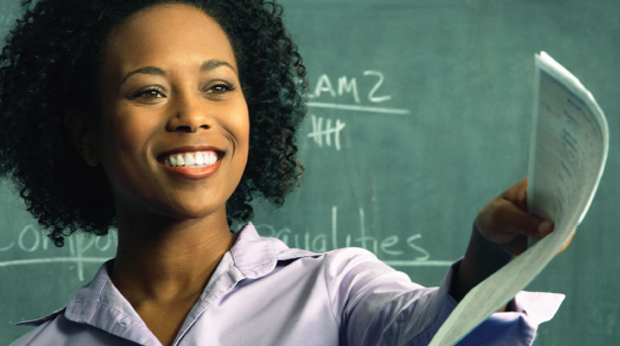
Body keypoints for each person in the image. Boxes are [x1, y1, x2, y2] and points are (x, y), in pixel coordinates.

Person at [0, 0, 566, 345]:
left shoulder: (338, 291)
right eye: (149, 91)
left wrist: (489, 261)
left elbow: (432, 335)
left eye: (218, 86)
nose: (193, 115)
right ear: (85, 137)